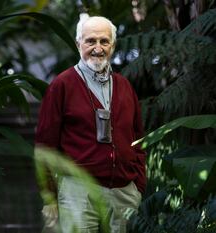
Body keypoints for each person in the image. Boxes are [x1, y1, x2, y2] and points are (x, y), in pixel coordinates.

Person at [35, 14, 146, 233]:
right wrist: (49, 196)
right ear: (79, 45)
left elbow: (138, 138)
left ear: (112, 46)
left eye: (104, 41)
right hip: (78, 193)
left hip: (123, 193)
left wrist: (138, 185)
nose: (98, 47)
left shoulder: (124, 86)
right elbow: (45, 145)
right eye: (90, 41)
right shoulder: (62, 85)